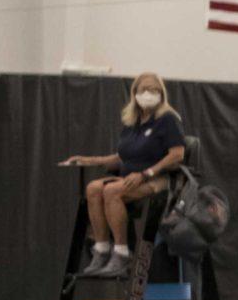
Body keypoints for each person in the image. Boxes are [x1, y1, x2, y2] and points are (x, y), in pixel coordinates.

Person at [59, 71, 186, 277]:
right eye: (144, 89)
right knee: (93, 188)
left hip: (157, 179)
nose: (148, 93)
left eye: (154, 89)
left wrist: (146, 173)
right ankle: (101, 249)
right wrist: (89, 160)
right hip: (129, 177)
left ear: (161, 93)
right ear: (135, 93)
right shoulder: (132, 123)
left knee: (112, 191)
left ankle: (121, 253)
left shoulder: (168, 119)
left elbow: (177, 154)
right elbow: (121, 157)